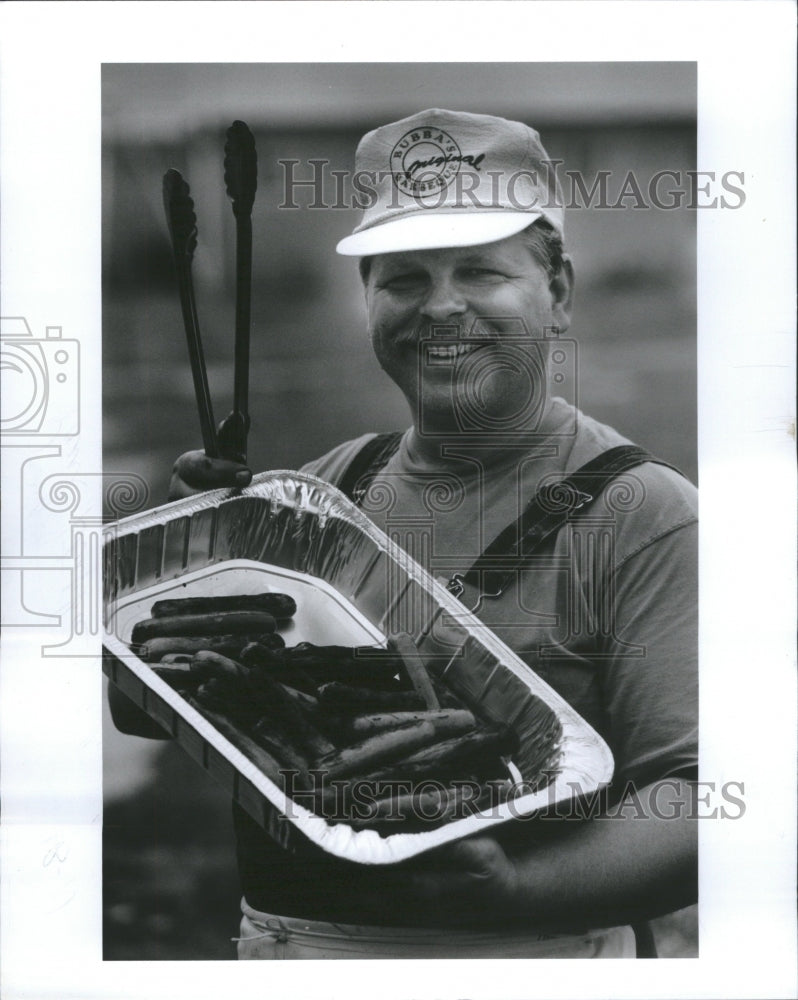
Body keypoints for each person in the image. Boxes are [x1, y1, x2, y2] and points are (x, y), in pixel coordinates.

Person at [110, 109, 698, 959]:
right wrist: (185, 566)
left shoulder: (645, 515)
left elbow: (698, 799)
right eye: (405, 280)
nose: (442, 307)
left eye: (480, 273)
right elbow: (150, 719)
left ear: (558, 292)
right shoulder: (322, 490)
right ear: (369, 302)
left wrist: (517, 888)